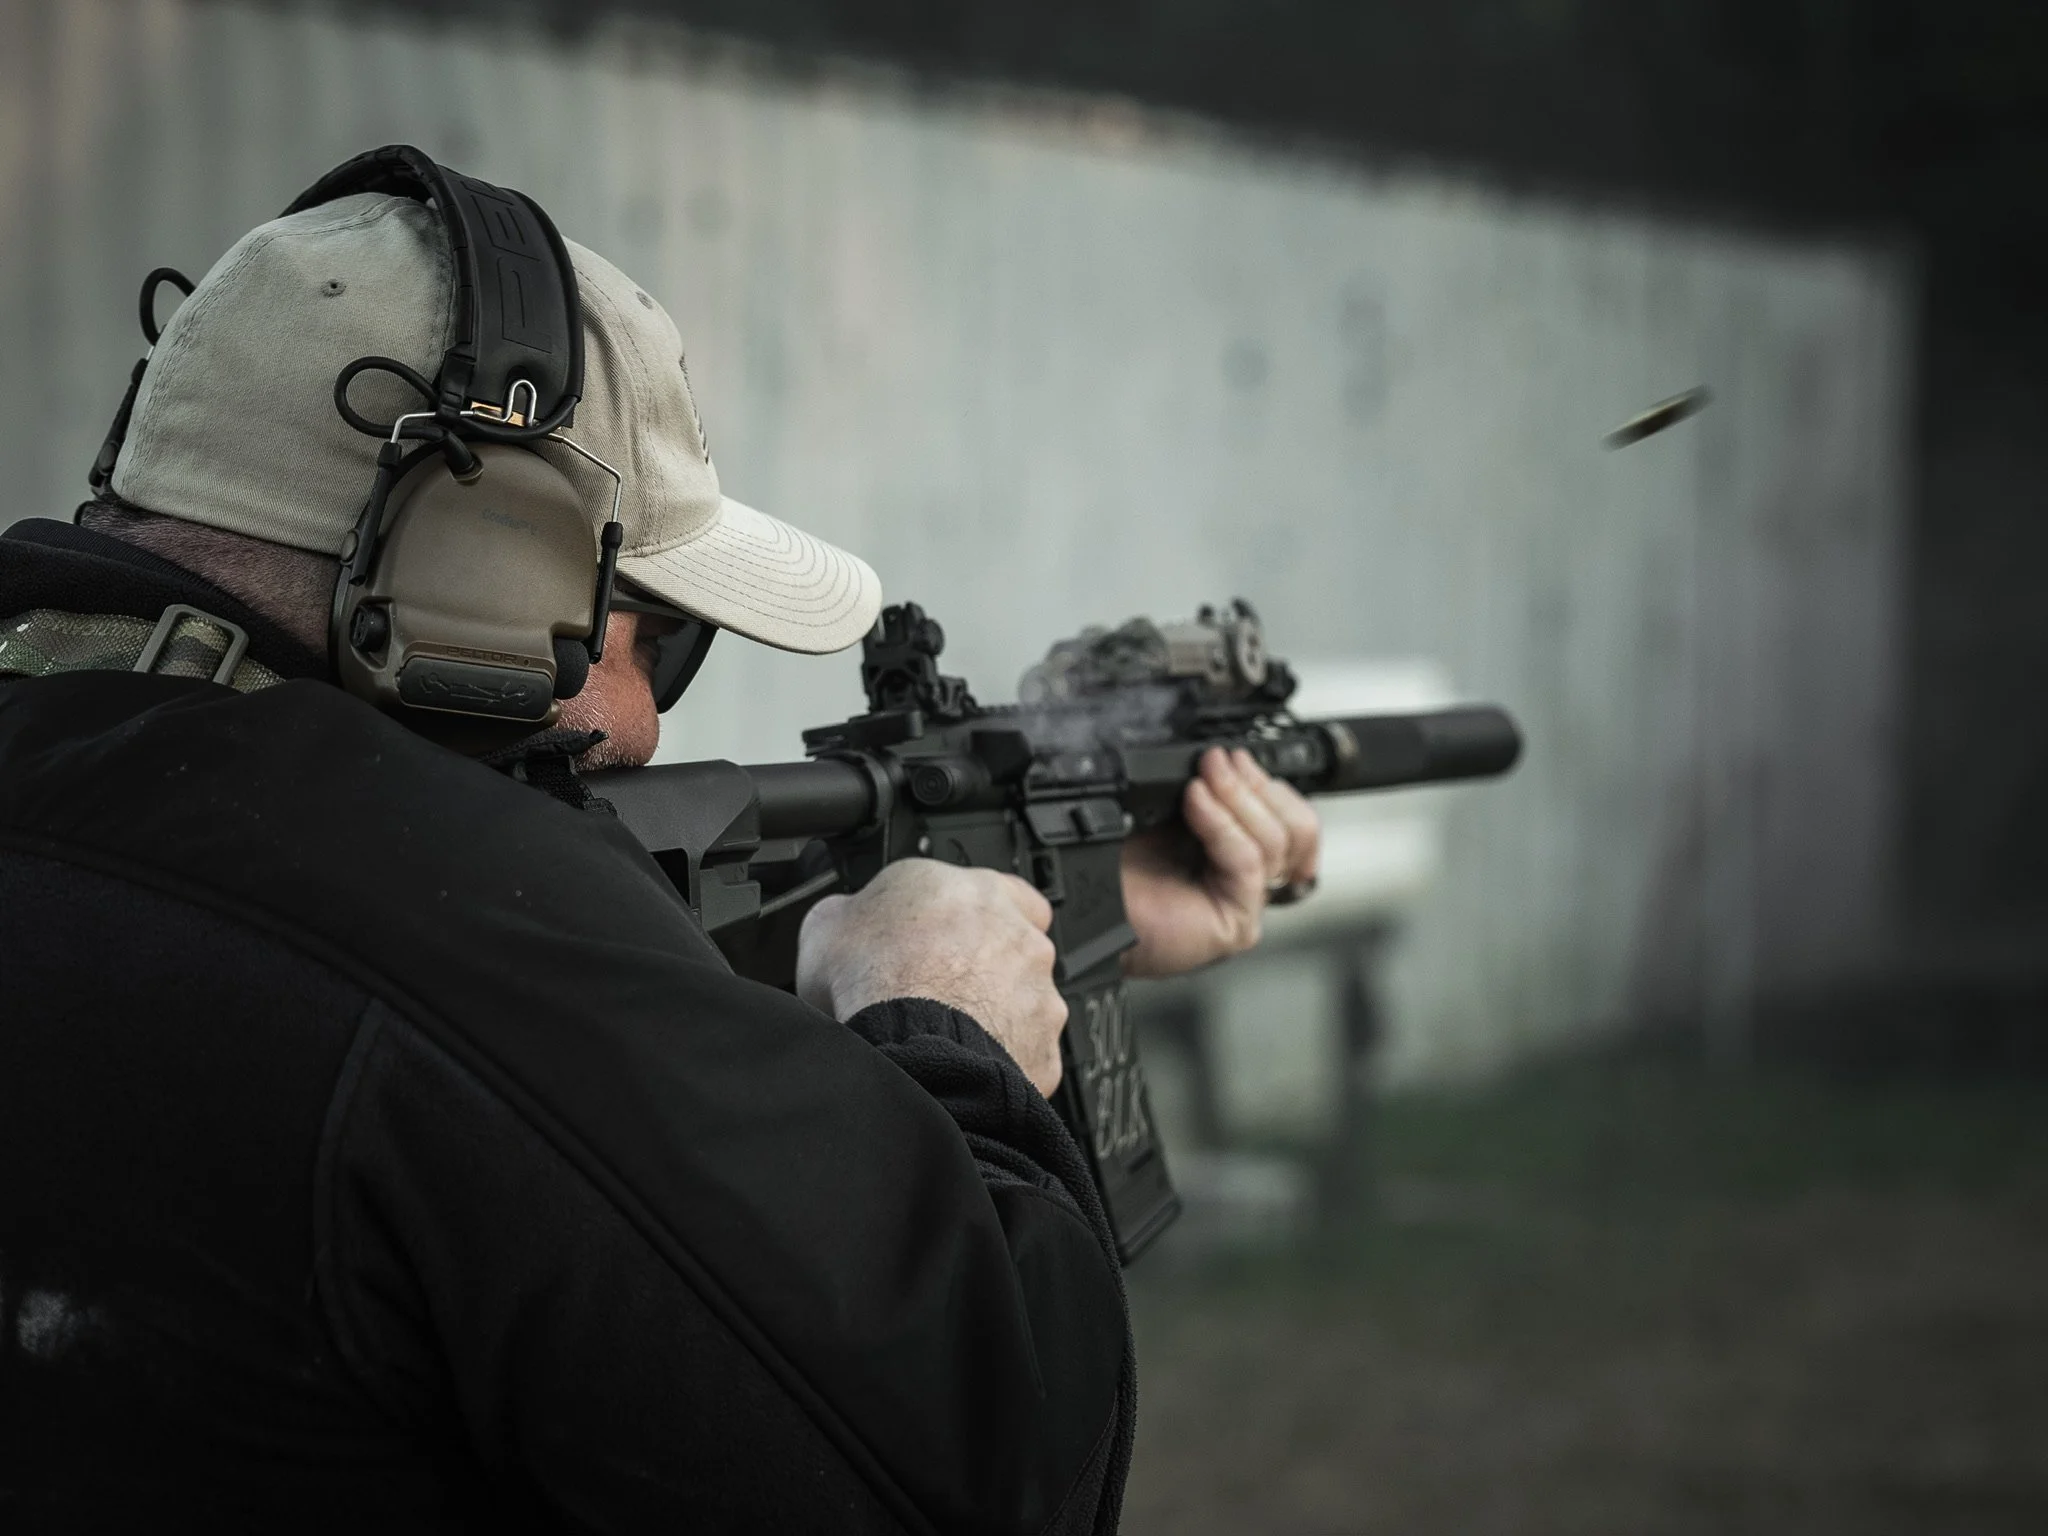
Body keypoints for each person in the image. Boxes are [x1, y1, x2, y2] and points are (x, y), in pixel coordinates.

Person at [0, 153, 1320, 1534]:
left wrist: (1045, 914)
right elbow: (985, 1473)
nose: (635, 729)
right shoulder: (455, 954)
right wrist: (951, 1035)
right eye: (663, 636)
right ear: (476, 568)